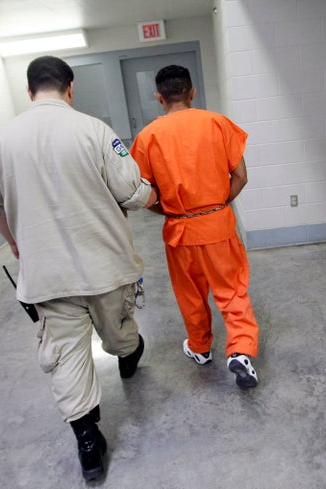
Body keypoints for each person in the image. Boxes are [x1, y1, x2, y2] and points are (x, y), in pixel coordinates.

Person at [0, 55, 157, 482]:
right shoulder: (94, 130)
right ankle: (129, 354)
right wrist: (153, 194)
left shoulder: (0, 142)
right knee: (117, 332)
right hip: (105, 265)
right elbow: (133, 193)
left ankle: (88, 441)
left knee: (67, 359)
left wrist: (16, 244)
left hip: (46, 275)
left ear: (28, 91)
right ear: (70, 87)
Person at [130, 64, 260, 390]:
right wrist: (216, 207)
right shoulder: (217, 123)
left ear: (159, 98)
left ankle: (200, 348)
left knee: (190, 295)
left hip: (179, 231)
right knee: (231, 291)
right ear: (192, 93)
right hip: (218, 226)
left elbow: (141, 194)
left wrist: (169, 210)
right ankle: (241, 350)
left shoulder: (147, 137)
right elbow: (241, 176)